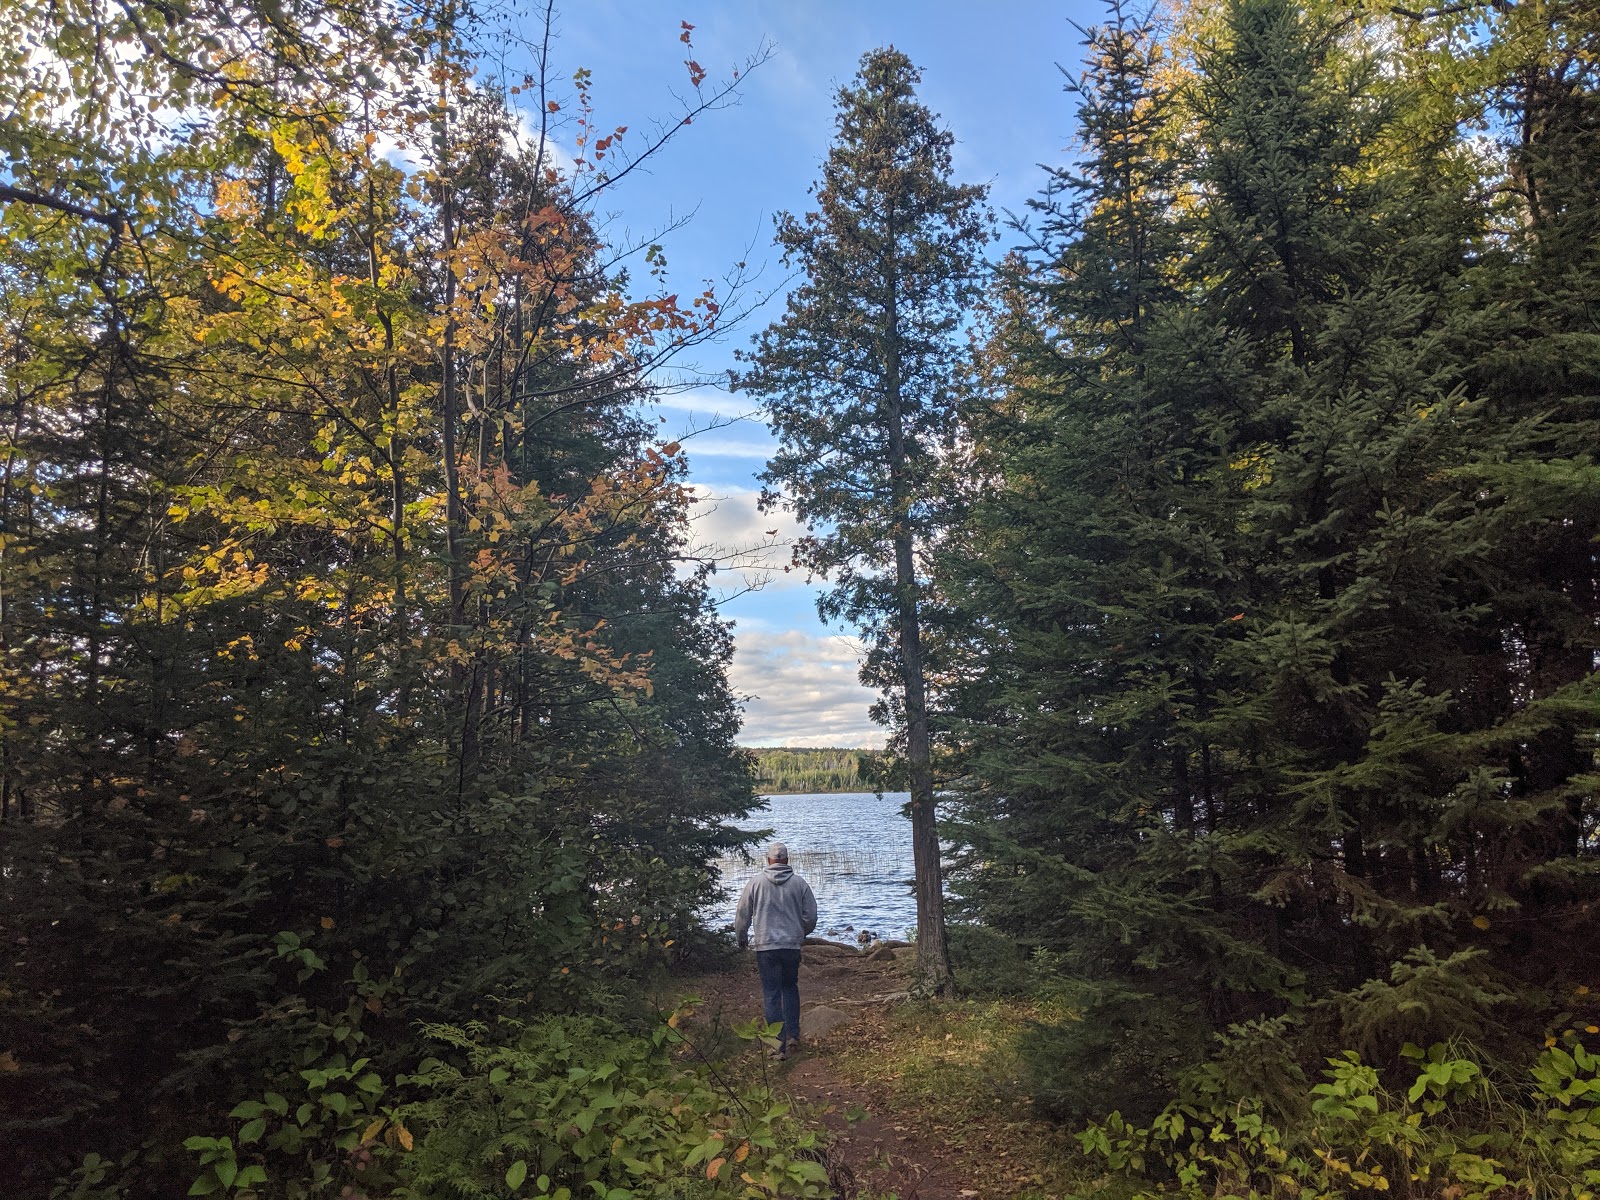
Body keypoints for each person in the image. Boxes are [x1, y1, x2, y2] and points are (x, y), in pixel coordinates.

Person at [733, 841, 818, 1059]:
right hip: (790, 946)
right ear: (787, 860)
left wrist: (741, 938)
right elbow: (811, 916)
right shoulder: (800, 884)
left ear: (769, 860)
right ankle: (793, 1036)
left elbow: (743, 914)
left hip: (765, 946)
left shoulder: (756, 883)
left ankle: (776, 1043)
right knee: (790, 987)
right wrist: (801, 933)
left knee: (771, 993)